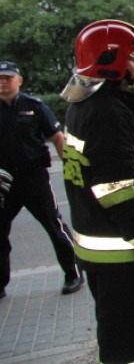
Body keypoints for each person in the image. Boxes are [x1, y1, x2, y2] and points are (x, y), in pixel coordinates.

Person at [61, 20, 134, 364]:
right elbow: (114, 188)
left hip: (100, 250)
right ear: (112, 60)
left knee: (115, 331)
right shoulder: (108, 112)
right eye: (132, 57)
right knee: (127, 341)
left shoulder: (83, 105)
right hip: (121, 253)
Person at [0, 60, 83, 299]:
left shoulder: (34, 107)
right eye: (0, 79)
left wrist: (70, 167)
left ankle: (73, 274)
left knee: (54, 226)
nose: (4, 83)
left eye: (8, 78)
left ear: (19, 80)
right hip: (4, 181)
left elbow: (57, 138)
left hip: (33, 177)